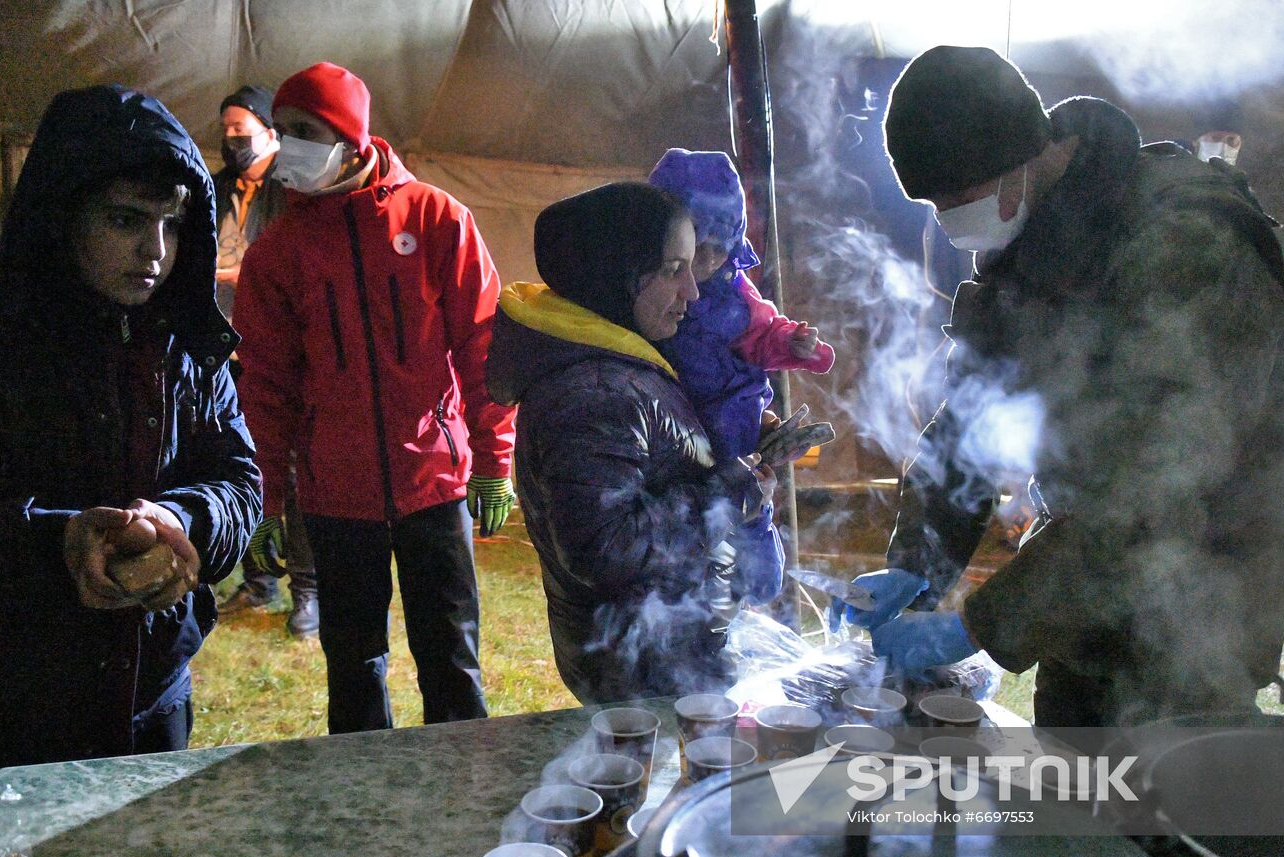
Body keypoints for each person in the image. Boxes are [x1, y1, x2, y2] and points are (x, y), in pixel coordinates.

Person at [832, 46, 1284, 731]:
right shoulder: (1032, 247)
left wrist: (978, 624)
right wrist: (918, 564)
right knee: (1070, 783)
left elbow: (1151, 494)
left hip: (1200, 605)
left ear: (1017, 161)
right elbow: (968, 427)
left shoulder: (1188, 242)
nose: (950, 223)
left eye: (956, 200)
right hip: (1081, 599)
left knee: (1169, 787)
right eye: (934, 206)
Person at [0, 84, 260, 767]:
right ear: (63, 217)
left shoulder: (188, 345)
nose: (155, 250)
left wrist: (180, 521)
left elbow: (239, 481)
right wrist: (58, 539)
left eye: (173, 223)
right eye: (125, 219)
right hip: (14, 703)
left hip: (154, 696)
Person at [236, 63, 515, 733]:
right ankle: (363, 792)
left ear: (351, 138)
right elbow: (265, 388)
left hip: (434, 482)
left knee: (451, 656)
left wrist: (494, 459)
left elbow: (483, 347)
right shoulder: (277, 255)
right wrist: (264, 498)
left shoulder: (437, 218)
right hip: (336, 494)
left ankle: (465, 784)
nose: (287, 145)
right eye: (282, 129)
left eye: (305, 131)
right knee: (354, 665)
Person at [486, 182, 777, 703]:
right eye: (672, 269)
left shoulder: (620, 363)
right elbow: (605, 545)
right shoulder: (592, 392)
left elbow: (659, 465)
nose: (692, 291)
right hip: (640, 671)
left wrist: (736, 450)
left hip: (665, 653)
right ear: (612, 272)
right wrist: (728, 497)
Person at [647, 147, 835, 605]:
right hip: (673, 433)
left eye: (720, 247)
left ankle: (754, 581)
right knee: (690, 541)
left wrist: (795, 344)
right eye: (698, 247)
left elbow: (764, 331)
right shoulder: (644, 288)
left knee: (748, 517)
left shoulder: (734, 294)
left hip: (734, 421)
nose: (709, 260)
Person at [210, 84, 319, 639]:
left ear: (270, 133)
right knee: (242, 461)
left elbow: (298, 261)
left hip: (279, 346)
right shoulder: (216, 188)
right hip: (224, 344)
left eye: (240, 129)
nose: (231, 138)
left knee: (291, 470)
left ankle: (308, 590)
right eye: (226, 130)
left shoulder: (294, 188)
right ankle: (257, 580)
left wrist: (242, 274)